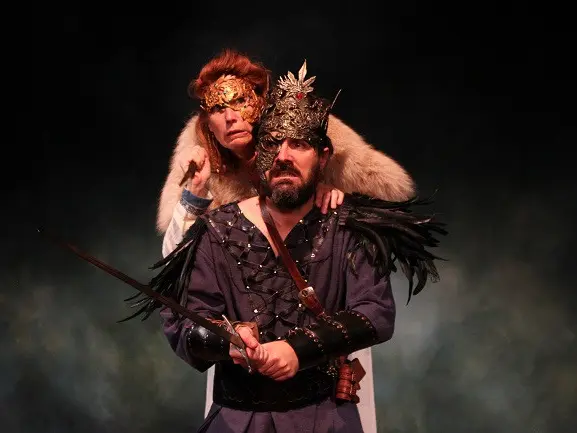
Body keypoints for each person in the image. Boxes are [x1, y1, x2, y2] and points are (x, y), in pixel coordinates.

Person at [128, 62, 446, 432]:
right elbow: (181, 298)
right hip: (241, 408)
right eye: (273, 144)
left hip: (324, 403)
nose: (283, 155)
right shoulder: (215, 223)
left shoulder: (343, 220)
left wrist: (328, 189)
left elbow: (374, 310)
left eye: (299, 144)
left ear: (322, 156)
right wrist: (228, 339)